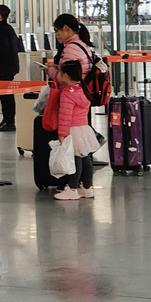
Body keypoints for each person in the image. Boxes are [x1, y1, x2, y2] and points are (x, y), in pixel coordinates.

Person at [53, 60, 97, 201]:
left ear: (65, 75)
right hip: (83, 129)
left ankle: (72, 188)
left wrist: (62, 133)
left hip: (72, 130)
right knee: (85, 158)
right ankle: (87, 188)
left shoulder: (67, 93)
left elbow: (65, 116)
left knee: (75, 159)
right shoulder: (82, 89)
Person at [0, 4, 21, 132]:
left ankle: (10, 121)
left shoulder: (1, 30)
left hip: (4, 67)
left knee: (6, 96)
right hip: (8, 66)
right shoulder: (8, 29)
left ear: (0, 15)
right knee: (5, 95)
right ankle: (7, 119)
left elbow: (1, 49)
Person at [46, 14, 93, 84]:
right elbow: (72, 70)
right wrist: (57, 66)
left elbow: (66, 79)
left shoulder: (71, 48)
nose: (56, 35)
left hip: (72, 92)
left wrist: (50, 71)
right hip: (81, 89)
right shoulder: (82, 44)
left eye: (57, 31)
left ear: (65, 28)